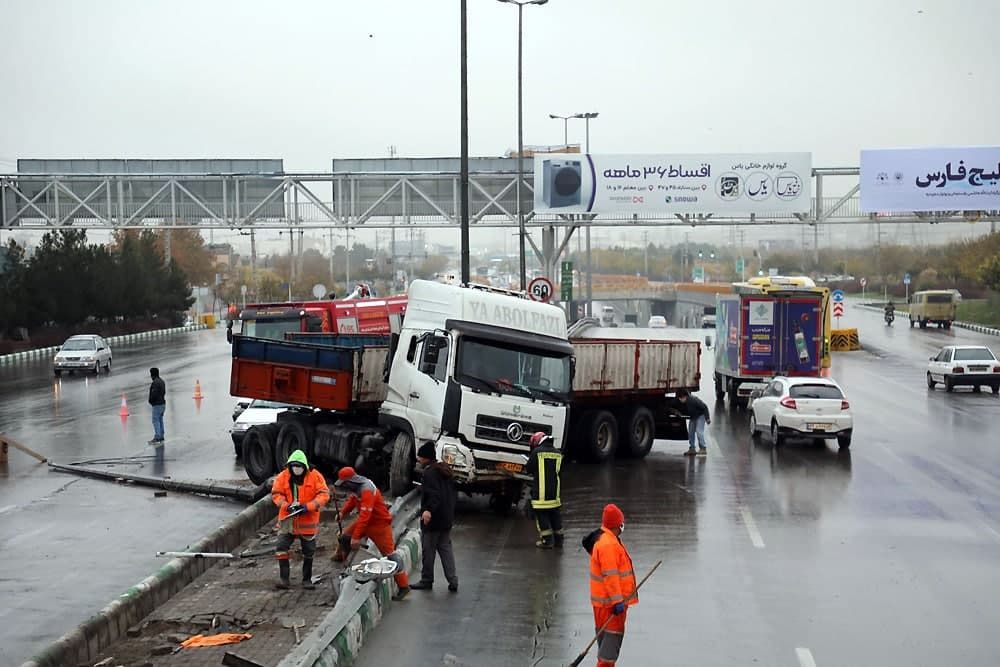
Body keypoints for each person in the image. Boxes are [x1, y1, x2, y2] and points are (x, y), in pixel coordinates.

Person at [335, 466, 411, 600]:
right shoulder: (356, 488)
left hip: (379, 525)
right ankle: (347, 568)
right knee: (345, 538)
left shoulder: (367, 490)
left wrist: (356, 537)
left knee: (391, 557)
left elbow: (365, 515)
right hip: (366, 522)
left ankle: (404, 587)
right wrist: (343, 512)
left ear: (350, 481)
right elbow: (353, 501)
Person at [270, 449, 330, 590]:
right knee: (281, 548)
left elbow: (324, 495)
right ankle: (284, 579)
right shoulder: (283, 477)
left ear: (305, 467)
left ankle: (306, 580)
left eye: (299, 467)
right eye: (294, 467)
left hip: (307, 522)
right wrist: (287, 506)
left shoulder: (315, 477)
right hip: (288, 520)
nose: (296, 470)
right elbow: (276, 494)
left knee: (309, 551)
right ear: (290, 466)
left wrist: (307, 507)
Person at [589, 503, 637, 667]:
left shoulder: (605, 540)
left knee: (605, 650)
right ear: (618, 524)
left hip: (603, 605)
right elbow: (611, 576)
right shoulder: (609, 545)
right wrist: (617, 602)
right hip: (610, 606)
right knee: (608, 655)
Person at [410, 442, 459, 592]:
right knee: (445, 549)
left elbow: (434, 495)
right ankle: (453, 580)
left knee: (428, 550)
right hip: (446, 518)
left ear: (426, 458)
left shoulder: (429, 473)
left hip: (433, 519)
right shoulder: (445, 470)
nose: (418, 459)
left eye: (420, 456)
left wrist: (428, 511)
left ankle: (427, 580)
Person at [526, 431, 564, 549]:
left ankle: (547, 541)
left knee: (542, 517)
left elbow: (529, 469)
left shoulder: (536, 452)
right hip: (554, 494)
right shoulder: (558, 453)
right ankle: (559, 540)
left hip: (541, 494)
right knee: (555, 516)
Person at [676, 388, 710, 456]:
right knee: (691, 432)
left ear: (685, 396)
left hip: (701, 415)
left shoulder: (693, 400)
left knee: (699, 431)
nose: (680, 399)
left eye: (681, 398)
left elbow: (704, 407)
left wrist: (707, 418)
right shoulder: (683, 402)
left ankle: (703, 448)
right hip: (693, 417)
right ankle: (692, 449)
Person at [147, 367, 166, 444]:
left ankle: (157, 436)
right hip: (163, 404)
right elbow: (164, 392)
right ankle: (161, 435)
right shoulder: (162, 381)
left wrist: (150, 401)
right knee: (160, 420)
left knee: (155, 421)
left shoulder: (155, 383)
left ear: (152, 375)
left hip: (157, 405)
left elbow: (154, 394)